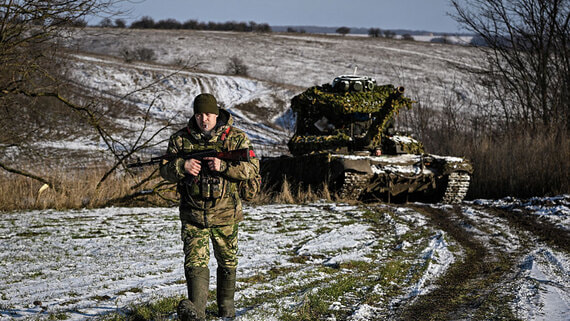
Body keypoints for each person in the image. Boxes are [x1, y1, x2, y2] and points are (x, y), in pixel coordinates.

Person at [159, 93, 259, 320]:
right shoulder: (180, 140)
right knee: (194, 262)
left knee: (228, 260)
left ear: (217, 114)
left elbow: (252, 168)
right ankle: (197, 312)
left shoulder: (236, 138)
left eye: (208, 114)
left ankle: (227, 309)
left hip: (226, 214)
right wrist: (181, 166)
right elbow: (164, 171)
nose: (204, 119)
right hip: (193, 214)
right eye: (199, 114)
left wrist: (224, 166)